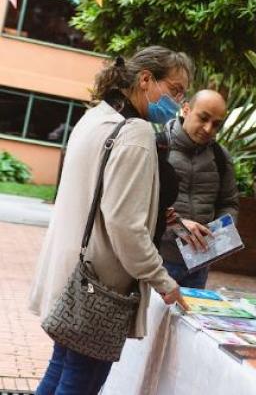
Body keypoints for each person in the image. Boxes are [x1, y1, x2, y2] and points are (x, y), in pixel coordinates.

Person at [29, 46, 193, 394]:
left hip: (75, 277)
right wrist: (162, 280)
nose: (179, 101)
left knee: (61, 369)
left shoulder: (96, 117)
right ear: (146, 79)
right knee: (80, 382)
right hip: (101, 286)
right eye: (175, 89)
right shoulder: (136, 132)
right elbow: (125, 225)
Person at [159, 89, 239, 288]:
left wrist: (219, 234)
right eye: (203, 118)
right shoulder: (157, 148)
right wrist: (178, 226)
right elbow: (139, 206)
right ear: (186, 109)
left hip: (198, 267)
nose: (208, 128)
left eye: (216, 124)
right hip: (156, 261)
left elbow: (229, 203)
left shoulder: (221, 157)